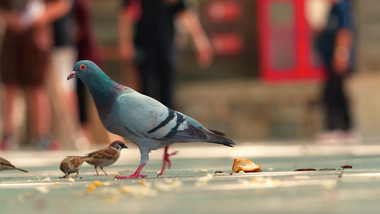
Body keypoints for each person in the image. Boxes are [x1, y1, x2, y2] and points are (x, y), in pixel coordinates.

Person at [0, 0, 71, 150]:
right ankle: (8, 136)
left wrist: (40, 16)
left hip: (37, 37)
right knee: (10, 86)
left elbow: (63, 4)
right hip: (12, 37)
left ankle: (42, 136)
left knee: (37, 87)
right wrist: (9, 18)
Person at [118, 0, 213, 109]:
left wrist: (200, 41)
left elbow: (185, 12)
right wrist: (126, 42)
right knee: (145, 95)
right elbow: (127, 14)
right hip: (143, 50)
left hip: (166, 49)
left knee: (167, 97)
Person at [315, 0, 356, 142]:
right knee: (336, 91)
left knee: (333, 91)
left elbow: (345, 31)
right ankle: (345, 127)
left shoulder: (342, 6)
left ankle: (338, 127)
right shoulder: (331, 9)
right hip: (329, 59)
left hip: (338, 59)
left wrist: (341, 54)